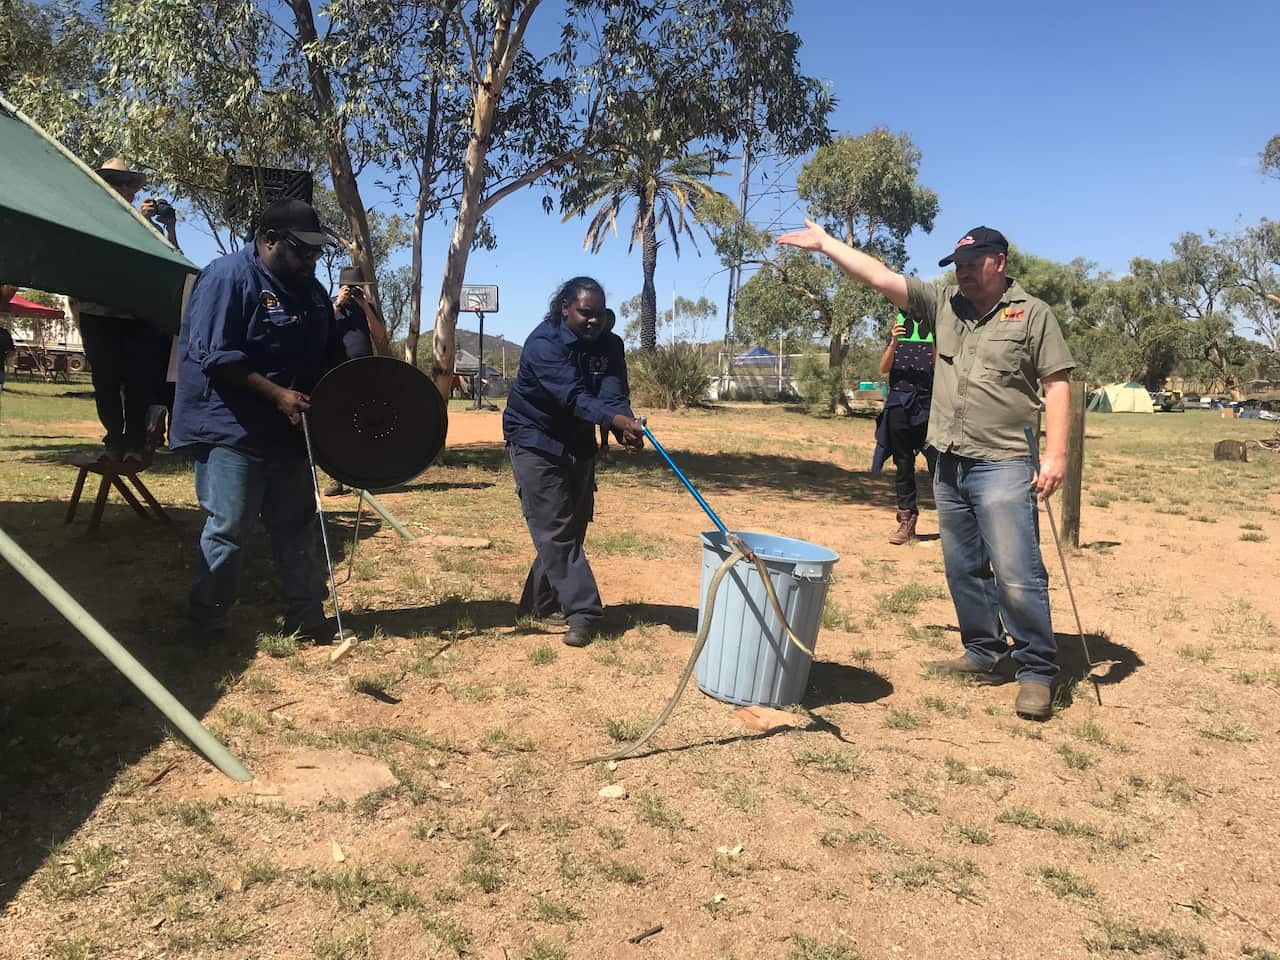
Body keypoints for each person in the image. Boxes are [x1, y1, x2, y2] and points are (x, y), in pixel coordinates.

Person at [778, 221, 1074, 720]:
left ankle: (1036, 670)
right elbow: (878, 276)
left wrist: (1057, 455)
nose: (963, 273)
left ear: (999, 262)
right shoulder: (942, 304)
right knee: (963, 567)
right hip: (949, 460)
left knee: (1017, 572)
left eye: (972, 264)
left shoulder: (1032, 314)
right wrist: (827, 245)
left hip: (1003, 461)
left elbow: (1057, 383)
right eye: (958, 266)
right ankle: (983, 651)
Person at [171, 198, 368, 644]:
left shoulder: (312, 292)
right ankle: (206, 623)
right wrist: (277, 394)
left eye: (317, 251)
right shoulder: (227, 278)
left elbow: (329, 354)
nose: (311, 260)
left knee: (297, 524)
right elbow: (216, 357)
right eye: (302, 250)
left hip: (288, 429)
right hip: (231, 429)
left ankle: (307, 617)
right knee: (230, 528)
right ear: (268, 240)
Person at [503, 277, 644, 647]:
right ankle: (584, 613)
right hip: (534, 438)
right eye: (585, 312)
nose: (594, 320)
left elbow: (612, 395)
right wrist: (615, 421)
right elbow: (573, 398)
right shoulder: (543, 344)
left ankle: (538, 603)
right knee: (555, 528)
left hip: (578, 439)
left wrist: (625, 428)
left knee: (573, 525)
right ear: (565, 308)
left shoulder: (610, 344)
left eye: (599, 313)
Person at [76, 158, 180, 460]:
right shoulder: (88, 217)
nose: (122, 189)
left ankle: (134, 443)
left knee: (138, 382)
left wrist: (167, 227)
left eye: (127, 184)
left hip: (136, 315)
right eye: (114, 182)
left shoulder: (147, 226)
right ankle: (114, 441)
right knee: (105, 381)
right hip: (96, 312)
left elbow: (174, 260)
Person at [872, 311, 938, 544]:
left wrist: (935, 339)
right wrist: (893, 342)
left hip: (927, 407)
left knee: (939, 463)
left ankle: (954, 520)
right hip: (899, 406)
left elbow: (939, 368)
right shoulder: (897, 339)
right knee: (903, 463)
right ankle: (906, 520)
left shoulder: (933, 338)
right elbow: (883, 368)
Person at [323, 264, 389, 496]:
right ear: (341, 287)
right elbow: (320, 329)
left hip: (364, 372)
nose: (353, 291)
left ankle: (362, 477)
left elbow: (379, 335)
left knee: (364, 422)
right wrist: (338, 304)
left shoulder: (367, 306)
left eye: (357, 287)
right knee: (337, 424)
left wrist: (365, 306)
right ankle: (336, 479)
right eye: (349, 287)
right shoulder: (329, 305)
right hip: (337, 372)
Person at [595, 308, 624, 461]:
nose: (609, 323)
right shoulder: (592, 339)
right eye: (607, 319)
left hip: (611, 384)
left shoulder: (617, 341)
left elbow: (621, 364)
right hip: (595, 383)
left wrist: (624, 383)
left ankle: (605, 446)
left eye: (612, 320)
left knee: (606, 417)